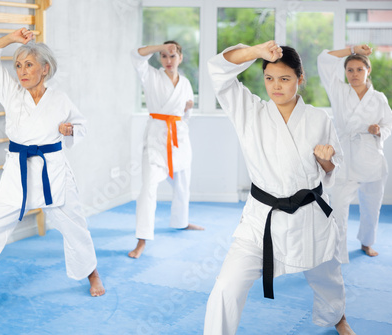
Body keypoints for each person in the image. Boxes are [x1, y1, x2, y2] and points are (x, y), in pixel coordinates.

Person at [0, 28, 105, 326]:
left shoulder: (60, 99)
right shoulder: (11, 93)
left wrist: (70, 130)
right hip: (17, 175)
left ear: (45, 69)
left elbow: (81, 125)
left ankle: (92, 273)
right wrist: (11, 38)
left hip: (53, 171)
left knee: (76, 228)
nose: (22, 71)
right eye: (18, 65)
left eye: (29, 64)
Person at [204, 41, 355, 335]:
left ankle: (337, 317)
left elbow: (332, 170)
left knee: (327, 277)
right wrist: (256, 52)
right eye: (269, 78)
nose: (276, 86)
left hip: (309, 217)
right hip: (262, 220)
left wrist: (326, 161)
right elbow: (217, 71)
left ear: (300, 79)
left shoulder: (318, 119)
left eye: (285, 79)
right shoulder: (249, 112)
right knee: (226, 287)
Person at [317, 45, 392, 258]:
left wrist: (379, 131)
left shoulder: (378, 98)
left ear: (368, 70)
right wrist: (351, 49)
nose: (354, 74)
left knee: (371, 206)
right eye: (350, 70)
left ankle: (367, 242)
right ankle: (337, 250)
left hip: (371, 159)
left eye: (359, 69)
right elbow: (324, 59)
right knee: (339, 206)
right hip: (345, 157)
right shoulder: (338, 90)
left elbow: (388, 122)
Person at [128, 42, 204, 259]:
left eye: (172, 56)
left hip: (179, 137)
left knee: (182, 184)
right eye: (163, 56)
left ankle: (181, 221)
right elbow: (135, 54)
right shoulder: (150, 75)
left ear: (180, 57)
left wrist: (188, 109)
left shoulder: (186, 83)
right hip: (156, 137)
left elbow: (185, 111)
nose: (168, 60)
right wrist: (161, 45)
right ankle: (142, 239)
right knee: (148, 188)